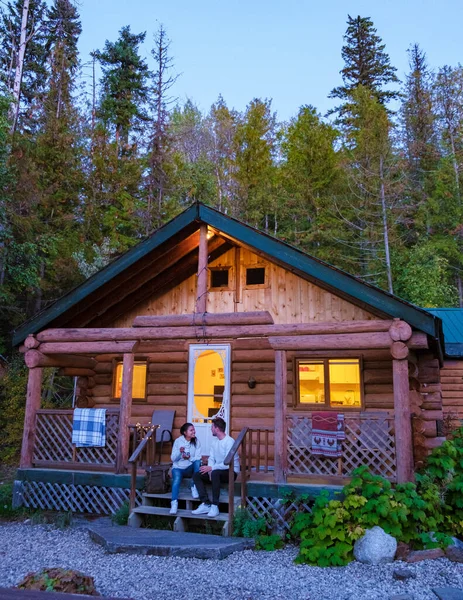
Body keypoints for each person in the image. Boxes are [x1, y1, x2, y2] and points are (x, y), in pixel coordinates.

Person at [191, 417, 239, 518]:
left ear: (217, 428)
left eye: (212, 427)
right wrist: (209, 467)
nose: (211, 429)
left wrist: (212, 469)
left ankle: (215, 505)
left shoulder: (229, 442)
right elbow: (212, 458)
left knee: (215, 473)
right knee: (197, 475)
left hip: (230, 472)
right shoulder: (215, 442)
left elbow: (227, 463)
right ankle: (206, 503)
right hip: (217, 470)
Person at [170, 422, 202, 515]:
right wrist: (180, 453)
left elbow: (198, 457)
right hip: (178, 468)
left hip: (189, 468)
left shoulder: (196, 441)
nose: (194, 431)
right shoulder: (178, 441)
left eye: (194, 430)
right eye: (191, 430)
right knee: (176, 481)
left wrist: (190, 458)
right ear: (185, 432)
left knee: (198, 462)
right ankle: (174, 503)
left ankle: (194, 485)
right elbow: (173, 459)